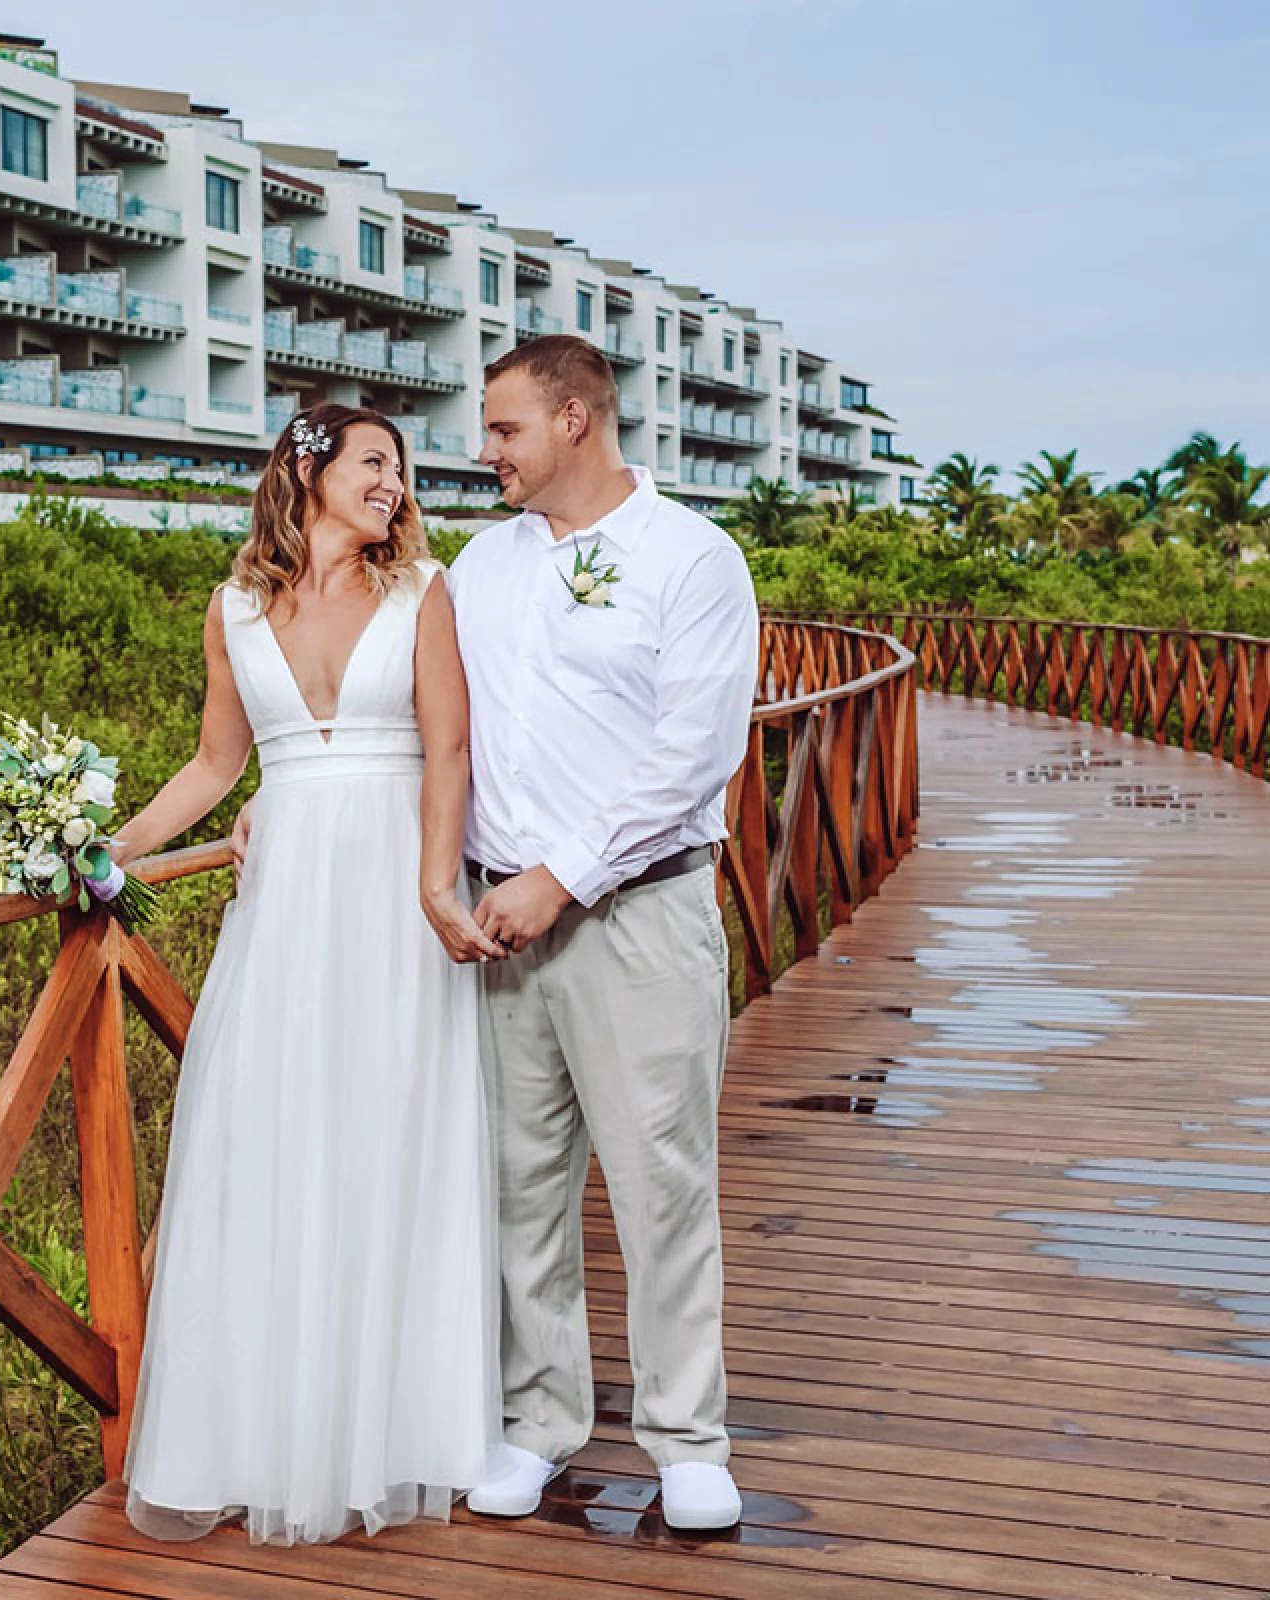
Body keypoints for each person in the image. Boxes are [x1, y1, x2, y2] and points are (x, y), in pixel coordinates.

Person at [108, 403, 504, 1547]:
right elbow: (215, 764)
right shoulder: (231, 607)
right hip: (284, 909)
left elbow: (451, 746)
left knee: (394, 1132)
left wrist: (438, 885)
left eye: (400, 469)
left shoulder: (424, 592)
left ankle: (407, 1428)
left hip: (393, 892)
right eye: (374, 462)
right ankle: (256, 1432)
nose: (393, 483)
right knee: (269, 1138)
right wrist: (105, 848)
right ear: (310, 469)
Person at [453, 334, 758, 1530]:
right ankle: (538, 1420)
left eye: (505, 428)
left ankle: (688, 1438)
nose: (487, 452)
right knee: (520, 1184)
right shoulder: (478, 567)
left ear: (575, 418)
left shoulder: (692, 557)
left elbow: (694, 750)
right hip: (499, 922)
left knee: (660, 1181)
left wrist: (560, 879)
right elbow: (434, 721)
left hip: (637, 913)